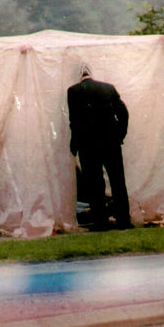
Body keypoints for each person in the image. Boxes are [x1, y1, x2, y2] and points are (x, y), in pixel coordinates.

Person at [67, 64, 132, 231]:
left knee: (95, 184)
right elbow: (123, 113)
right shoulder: (108, 88)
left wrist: (74, 145)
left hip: (88, 145)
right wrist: (120, 135)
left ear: (79, 76)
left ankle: (100, 222)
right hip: (111, 142)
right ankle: (124, 220)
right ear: (91, 73)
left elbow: (74, 121)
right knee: (118, 181)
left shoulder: (73, 91)